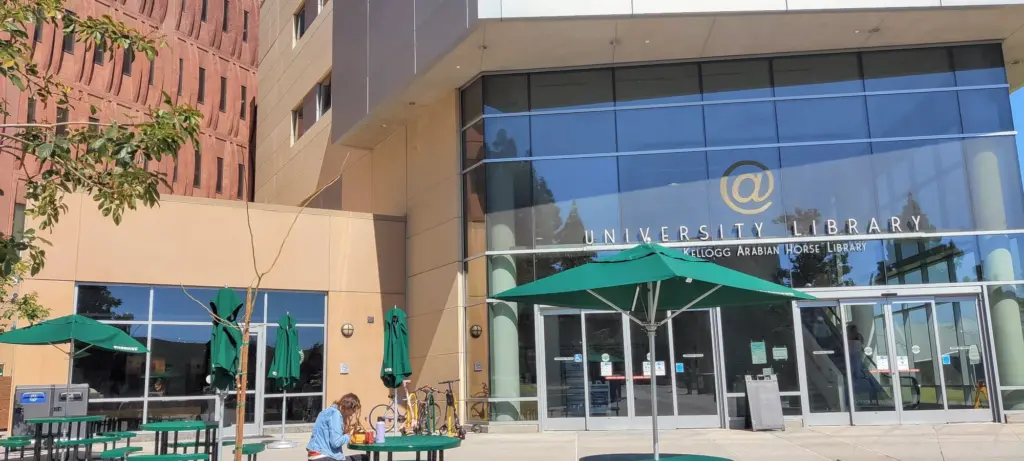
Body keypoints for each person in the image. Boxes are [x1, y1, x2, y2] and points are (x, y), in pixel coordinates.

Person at [307, 394, 368, 461]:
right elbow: (336, 442)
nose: (352, 414)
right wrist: (349, 435)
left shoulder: (325, 412)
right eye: (353, 410)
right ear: (348, 407)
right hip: (323, 456)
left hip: (314, 455)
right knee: (363, 458)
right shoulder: (336, 414)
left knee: (362, 457)